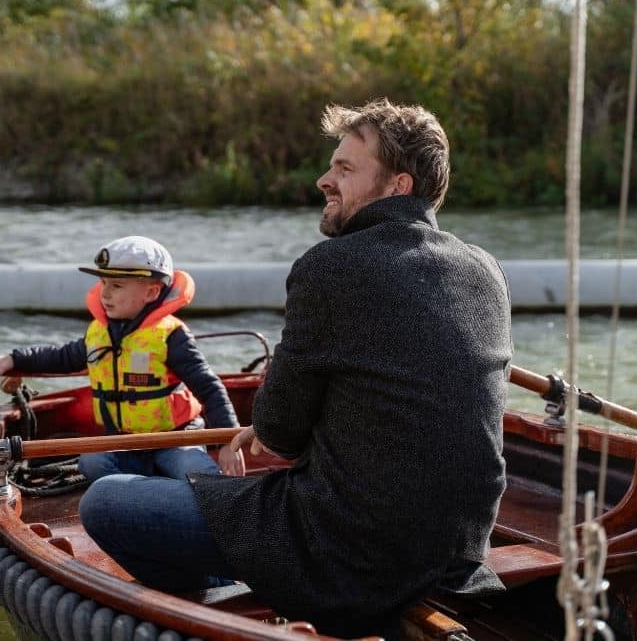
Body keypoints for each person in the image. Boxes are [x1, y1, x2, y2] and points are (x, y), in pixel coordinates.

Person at [77, 100, 513, 637]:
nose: (323, 179)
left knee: (107, 499)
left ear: (399, 185)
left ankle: (223, 594)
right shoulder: (485, 269)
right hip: (460, 549)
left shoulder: (329, 267)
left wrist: (274, 426)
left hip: (350, 548)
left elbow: (279, 434)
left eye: (346, 169)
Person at [0, 235, 243, 480]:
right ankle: (145, 490)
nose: (105, 294)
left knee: (196, 471)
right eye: (103, 283)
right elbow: (62, 357)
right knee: (92, 463)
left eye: (116, 286)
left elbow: (209, 388)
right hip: (125, 442)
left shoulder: (172, 336)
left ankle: (201, 496)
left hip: (174, 440)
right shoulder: (99, 332)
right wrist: (13, 360)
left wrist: (229, 441)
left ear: (151, 293)